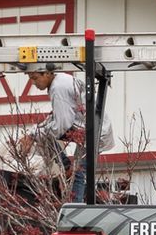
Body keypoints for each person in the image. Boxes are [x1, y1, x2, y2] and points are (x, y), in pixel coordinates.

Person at [25, 66, 114, 201]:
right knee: (42, 133)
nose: (34, 83)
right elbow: (56, 119)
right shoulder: (61, 80)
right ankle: (66, 167)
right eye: (31, 79)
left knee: (78, 174)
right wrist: (33, 133)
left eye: (35, 78)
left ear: (48, 73)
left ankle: (74, 210)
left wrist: (34, 135)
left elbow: (62, 125)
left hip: (94, 132)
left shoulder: (58, 88)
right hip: (88, 128)